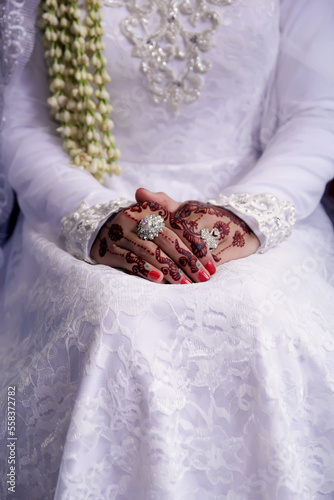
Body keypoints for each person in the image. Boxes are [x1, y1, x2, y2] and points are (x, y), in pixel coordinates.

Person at [0, 0, 334, 498]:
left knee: (254, 312)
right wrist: (93, 218)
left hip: (257, 191)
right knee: (114, 314)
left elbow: (318, 113)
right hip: (84, 192)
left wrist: (242, 217)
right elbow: (18, 122)